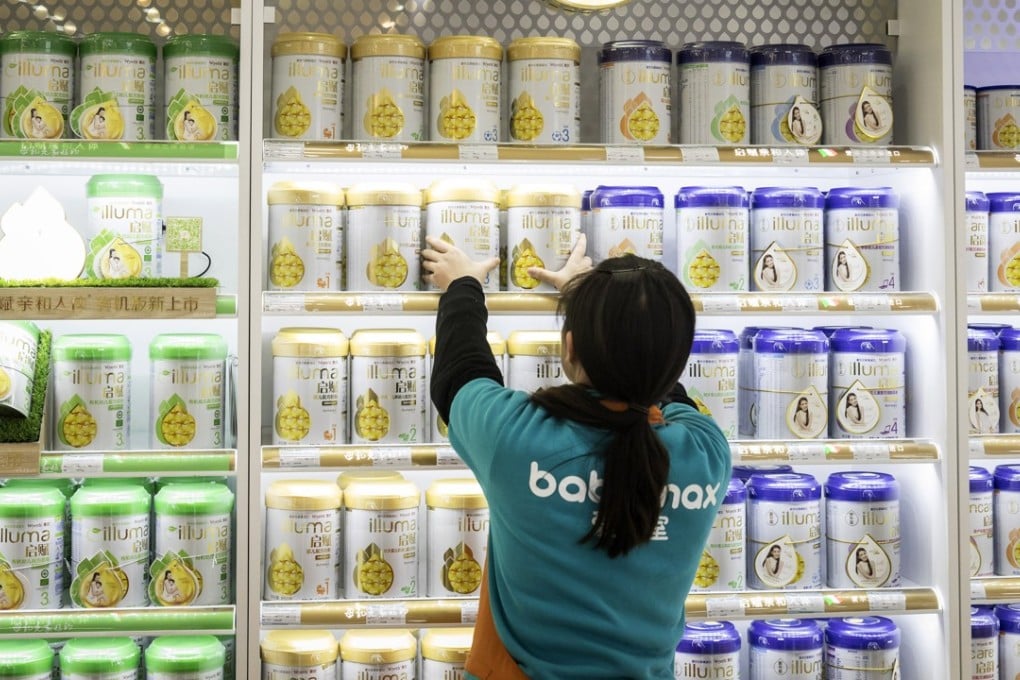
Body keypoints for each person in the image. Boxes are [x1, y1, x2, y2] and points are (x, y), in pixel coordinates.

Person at [425, 234, 731, 679]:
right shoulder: (706, 452)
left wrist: (464, 286)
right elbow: (657, 379)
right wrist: (608, 312)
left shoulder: (520, 438)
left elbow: (460, 373)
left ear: (569, 349)